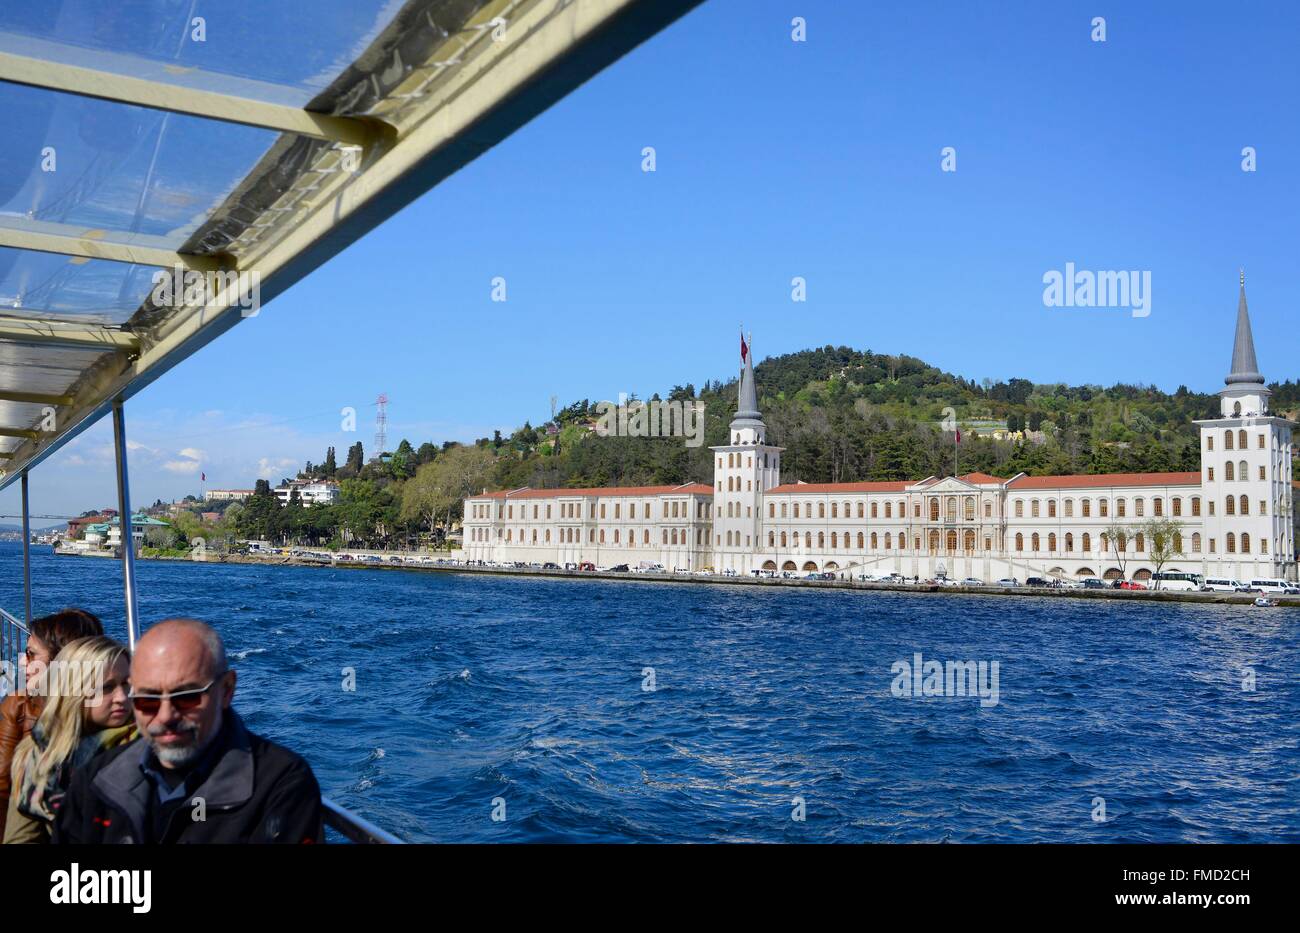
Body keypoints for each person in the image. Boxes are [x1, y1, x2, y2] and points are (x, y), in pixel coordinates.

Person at [54, 618, 322, 844]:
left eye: (187, 697)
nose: (166, 715)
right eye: (147, 699)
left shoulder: (280, 784)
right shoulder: (96, 780)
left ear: (227, 690)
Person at [5, 636, 134, 844]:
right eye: (106, 687)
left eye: (126, 684)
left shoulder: (145, 747)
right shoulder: (37, 756)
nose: (122, 697)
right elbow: (22, 837)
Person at [0, 609, 103, 836]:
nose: (22, 662)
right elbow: (3, 787)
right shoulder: (19, 707)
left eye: (30, 654)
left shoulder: (109, 713)